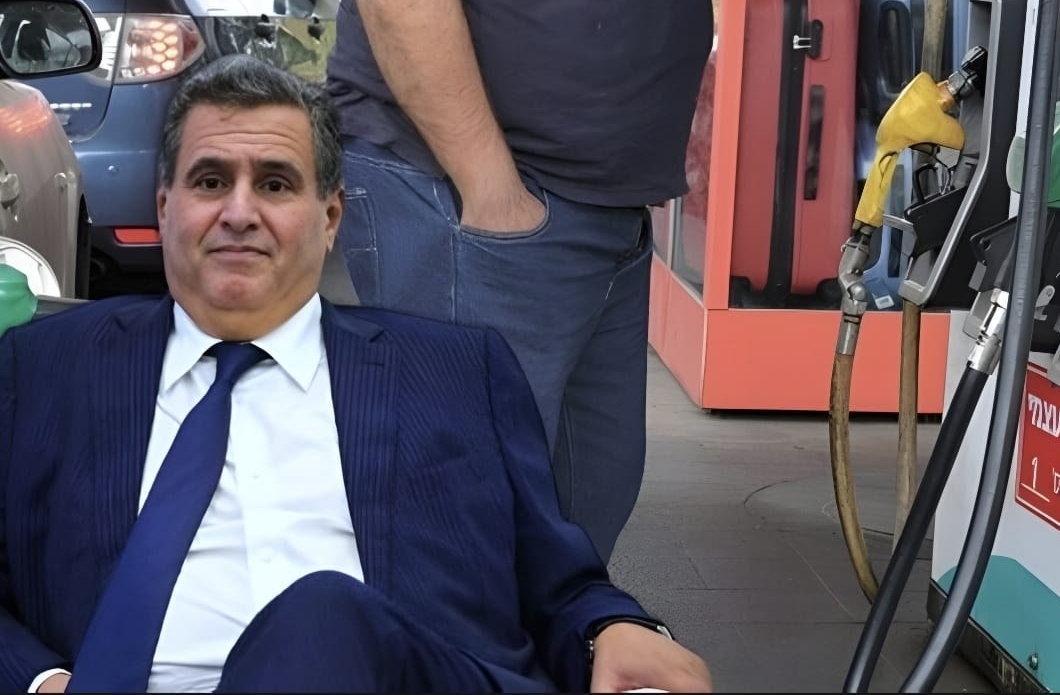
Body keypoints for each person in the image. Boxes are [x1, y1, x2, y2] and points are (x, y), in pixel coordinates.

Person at [0, 55, 711, 694]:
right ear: (164, 208)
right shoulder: (45, 368)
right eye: (210, 181)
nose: (239, 212)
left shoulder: (454, 372)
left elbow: (560, 584)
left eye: (275, 183)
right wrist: (41, 680)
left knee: (320, 615)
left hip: (396, 673)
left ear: (331, 216)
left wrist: (614, 629)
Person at [326, 0, 714, 563]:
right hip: (476, 193)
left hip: (587, 207)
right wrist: (492, 192)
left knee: (580, 509)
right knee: (462, 524)